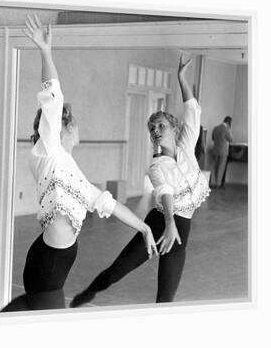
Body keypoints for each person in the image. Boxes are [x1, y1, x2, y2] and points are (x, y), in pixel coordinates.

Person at [0, 15, 158, 312]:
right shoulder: (48, 150)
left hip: (54, 264)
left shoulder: (72, 172)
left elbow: (109, 204)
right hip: (47, 265)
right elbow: (53, 99)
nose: (80, 128)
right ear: (64, 128)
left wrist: (144, 229)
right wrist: (45, 52)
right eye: (77, 124)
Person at [70, 54, 211, 307]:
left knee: (165, 299)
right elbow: (165, 192)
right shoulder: (156, 166)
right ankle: (89, 292)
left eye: (160, 126)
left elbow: (192, 109)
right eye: (152, 129)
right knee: (117, 271)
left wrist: (181, 78)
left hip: (180, 231)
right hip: (161, 223)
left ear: (173, 127)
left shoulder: (187, 146)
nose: (155, 132)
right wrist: (169, 223)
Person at [211, 116, 233, 188]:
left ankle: (214, 183)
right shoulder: (226, 129)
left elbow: (213, 139)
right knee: (221, 168)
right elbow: (230, 139)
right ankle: (218, 184)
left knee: (216, 167)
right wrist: (229, 130)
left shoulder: (216, 128)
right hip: (223, 151)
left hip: (215, 150)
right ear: (229, 122)